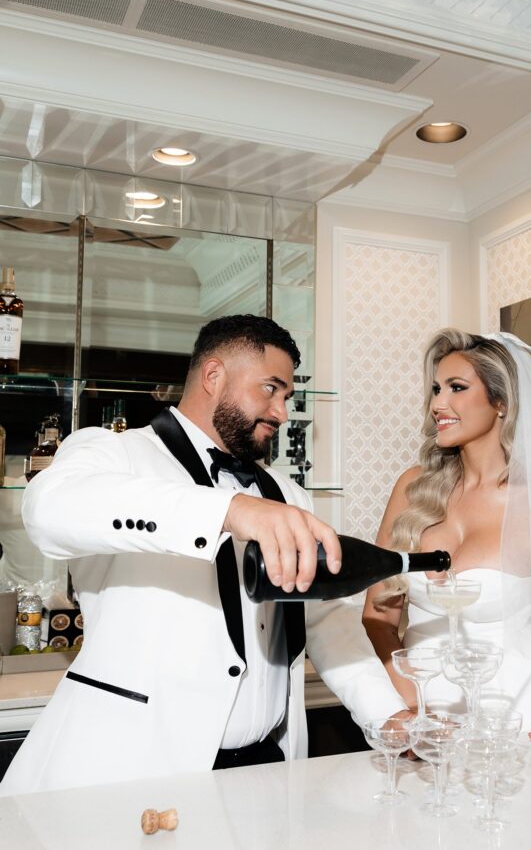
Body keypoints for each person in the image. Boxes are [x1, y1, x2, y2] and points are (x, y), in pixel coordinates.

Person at [0, 315, 405, 796]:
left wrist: (390, 717)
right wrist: (228, 510)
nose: (281, 412)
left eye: (288, 397)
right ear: (213, 376)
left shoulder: (291, 496)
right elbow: (47, 511)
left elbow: (328, 626)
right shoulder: (117, 453)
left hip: (271, 772)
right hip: (135, 775)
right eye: (270, 389)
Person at [362, 328, 531, 761]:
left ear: (501, 404)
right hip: (422, 726)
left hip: (516, 717)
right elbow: (377, 617)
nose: (438, 403)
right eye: (436, 389)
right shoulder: (411, 489)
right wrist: (410, 707)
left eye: (456, 388)